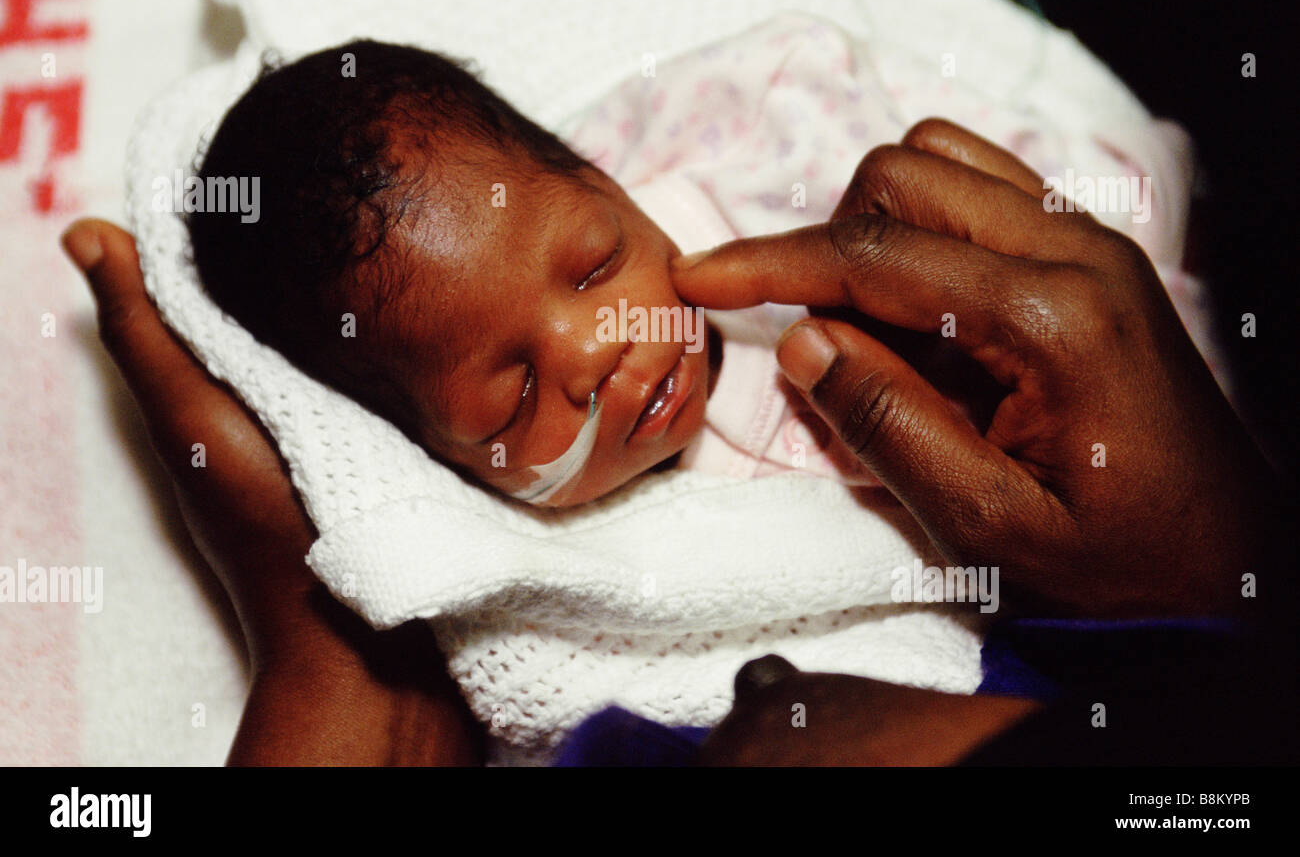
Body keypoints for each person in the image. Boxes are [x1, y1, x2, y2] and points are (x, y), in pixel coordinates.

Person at [61, 119, 1292, 765]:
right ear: (434, 466)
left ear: (617, 183)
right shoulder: (554, 606)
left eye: (597, 263)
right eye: (509, 403)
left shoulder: (769, 246)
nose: (598, 348)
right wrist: (334, 642)